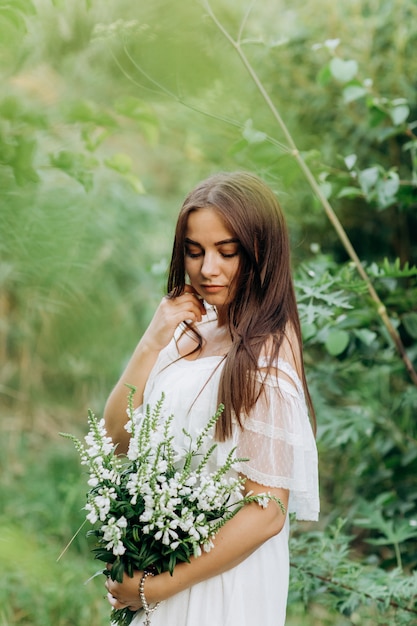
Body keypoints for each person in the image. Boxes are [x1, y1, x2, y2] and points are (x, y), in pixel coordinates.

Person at [103, 171, 319, 626]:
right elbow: (115, 439)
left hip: (221, 583)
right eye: (194, 251)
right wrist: (151, 341)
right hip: (167, 558)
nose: (207, 270)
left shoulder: (268, 351)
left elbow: (266, 514)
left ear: (261, 252)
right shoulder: (189, 330)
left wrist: (153, 586)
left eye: (227, 251)